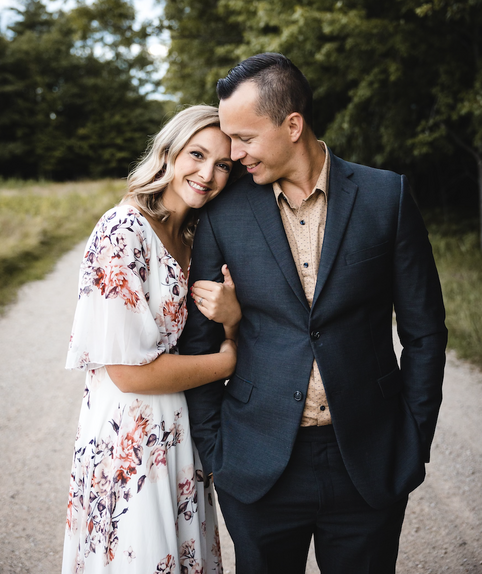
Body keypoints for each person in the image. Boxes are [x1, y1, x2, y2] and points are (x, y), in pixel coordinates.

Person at [180, 53, 448, 574]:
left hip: (369, 458)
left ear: (292, 125)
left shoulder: (386, 196)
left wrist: (413, 439)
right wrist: (217, 451)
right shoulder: (222, 212)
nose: (234, 153)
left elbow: (425, 333)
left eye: (244, 138)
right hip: (256, 465)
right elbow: (199, 340)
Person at [62, 105, 241, 574]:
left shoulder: (195, 236)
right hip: (130, 433)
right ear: (168, 152)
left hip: (182, 428)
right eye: (197, 154)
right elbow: (128, 373)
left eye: (223, 164)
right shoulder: (122, 231)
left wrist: (231, 320)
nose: (208, 174)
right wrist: (227, 362)